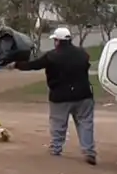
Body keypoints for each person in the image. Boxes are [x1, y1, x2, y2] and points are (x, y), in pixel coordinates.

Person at [13, 26, 97, 165]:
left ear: (57, 41)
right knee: (86, 124)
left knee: (58, 124)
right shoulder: (83, 54)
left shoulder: (52, 56)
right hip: (84, 95)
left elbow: (34, 65)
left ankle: (56, 149)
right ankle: (89, 152)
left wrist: (17, 65)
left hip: (60, 96)